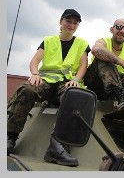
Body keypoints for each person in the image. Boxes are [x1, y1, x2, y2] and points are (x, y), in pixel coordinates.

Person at [7, 9, 90, 166]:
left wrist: (76, 80)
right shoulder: (48, 41)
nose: (71, 25)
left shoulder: (82, 44)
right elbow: (35, 60)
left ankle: (57, 146)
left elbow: (83, 65)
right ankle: (10, 137)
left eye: (75, 23)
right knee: (27, 89)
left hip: (66, 83)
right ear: (61, 22)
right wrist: (35, 74)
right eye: (68, 21)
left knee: (74, 96)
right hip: (46, 81)